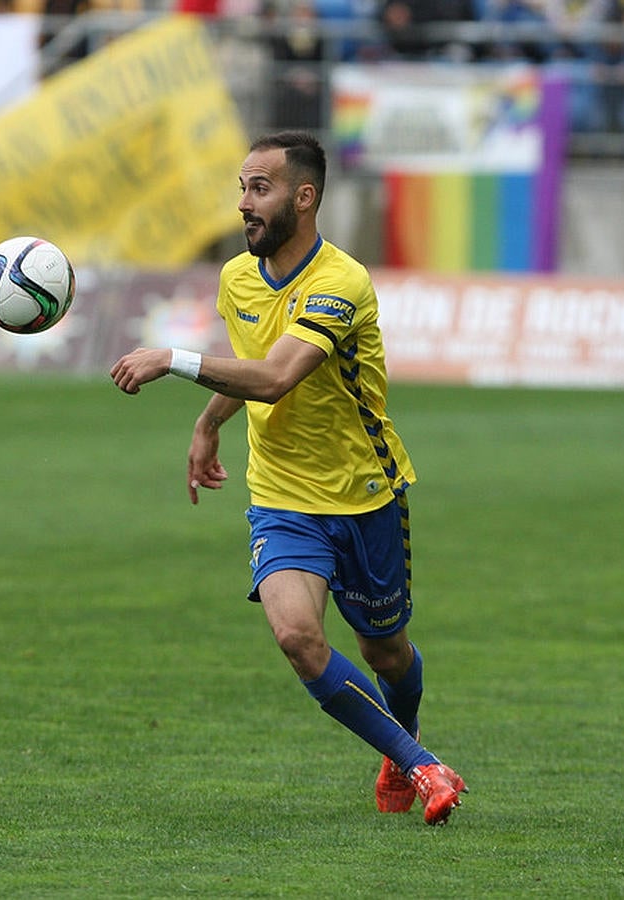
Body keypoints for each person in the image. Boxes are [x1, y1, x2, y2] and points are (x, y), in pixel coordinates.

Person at [110, 131, 468, 826]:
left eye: (259, 189)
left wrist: (171, 359)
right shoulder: (237, 277)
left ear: (303, 198)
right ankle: (423, 766)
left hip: (362, 493)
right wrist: (211, 422)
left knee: (384, 651)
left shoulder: (340, 282)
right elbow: (250, 363)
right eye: (241, 188)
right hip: (280, 498)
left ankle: (403, 743)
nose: (243, 204)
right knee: (297, 637)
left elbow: (276, 378)